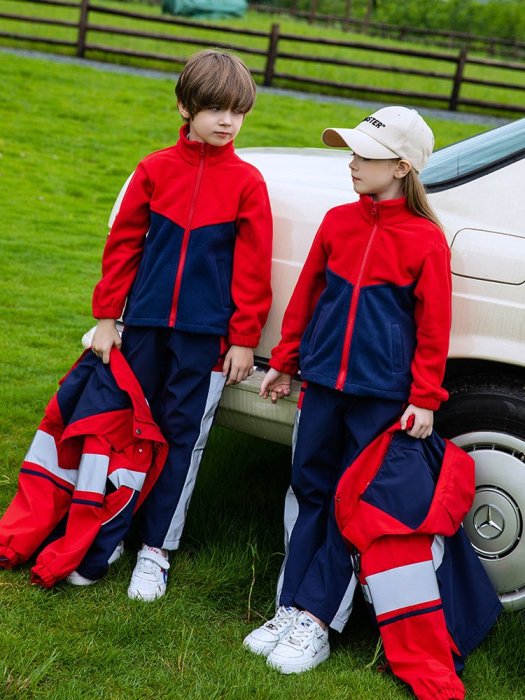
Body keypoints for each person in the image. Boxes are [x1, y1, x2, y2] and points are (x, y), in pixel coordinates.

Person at [243, 107, 473, 696]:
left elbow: (433, 329)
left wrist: (424, 398)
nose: (351, 162)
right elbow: (306, 300)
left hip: (382, 402)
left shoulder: (425, 240)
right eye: (350, 152)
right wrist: (286, 363)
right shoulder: (337, 222)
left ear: (400, 167)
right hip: (322, 386)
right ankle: (289, 607)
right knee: (309, 489)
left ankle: (318, 619)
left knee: (352, 507)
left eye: (364, 155)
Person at [88, 49, 273, 601]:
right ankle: (112, 529)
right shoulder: (154, 169)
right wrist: (106, 316)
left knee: (180, 438)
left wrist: (243, 339)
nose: (226, 121)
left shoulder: (247, 183)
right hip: (142, 326)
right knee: (126, 429)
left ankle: (155, 550)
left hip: (205, 340)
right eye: (214, 108)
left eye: (236, 112)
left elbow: (253, 268)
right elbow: (122, 246)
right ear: (184, 106)